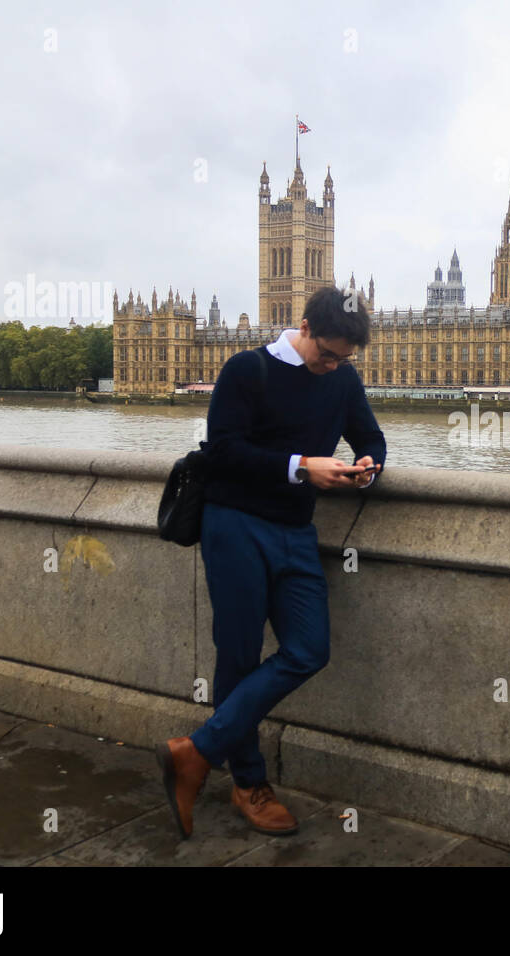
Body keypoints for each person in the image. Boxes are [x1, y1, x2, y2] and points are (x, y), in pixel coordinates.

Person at [155, 285, 386, 839]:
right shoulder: (246, 371)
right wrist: (300, 467)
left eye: (343, 359)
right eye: (327, 353)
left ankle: (196, 752)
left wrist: (369, 464)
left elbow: (370, 434)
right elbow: (224, 451)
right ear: (304, 328)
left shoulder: (342, 379)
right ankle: (249, 784)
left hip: (295, 531)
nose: (332, 366)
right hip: (233, 524)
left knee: (309, 649)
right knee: (236, 654)